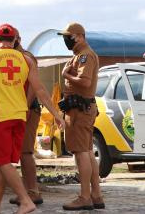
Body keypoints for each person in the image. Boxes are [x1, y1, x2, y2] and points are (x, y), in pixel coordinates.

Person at [0, 24, 64, 214]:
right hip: (20, 116)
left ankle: (26, 201)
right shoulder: (26, 60)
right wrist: (56, 114)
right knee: (6, 162)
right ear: (14, 41)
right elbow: (40, 90)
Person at [58, 22, 104, 211]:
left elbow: (85, 83)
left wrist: (66, 75)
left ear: (79, 36)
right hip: (77, 109)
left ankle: (85, 196)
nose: (66, 40)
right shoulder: (79, 55)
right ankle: (95, 195)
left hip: (79, 110)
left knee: (81, 153)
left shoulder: (85, 56)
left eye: (68, 36)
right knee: (86, 152)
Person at [9, 34, 44, 207]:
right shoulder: (17, 57)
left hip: (29, 109)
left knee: (26, 152)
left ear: (17, 40)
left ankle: (33, 192)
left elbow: (33, 87)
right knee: (22, 152)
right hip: (22, 109)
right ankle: (27, 191)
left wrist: (27, 108)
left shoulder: (27, 57)